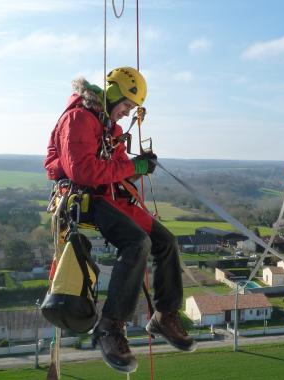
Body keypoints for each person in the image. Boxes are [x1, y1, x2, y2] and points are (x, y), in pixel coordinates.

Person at [44, 67, 196, 373]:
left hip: (107, 196)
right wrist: (131, 168)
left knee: (165, 241)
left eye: (129, 109)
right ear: (112, 94)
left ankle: (164, 315)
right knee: (137, 242)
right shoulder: (79, 119)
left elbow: (117, 166)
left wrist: (139, 167)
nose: (126, 114)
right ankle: (110, 327)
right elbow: (83, 172)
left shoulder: (105, 126)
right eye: (125, 106)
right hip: (84, 198)